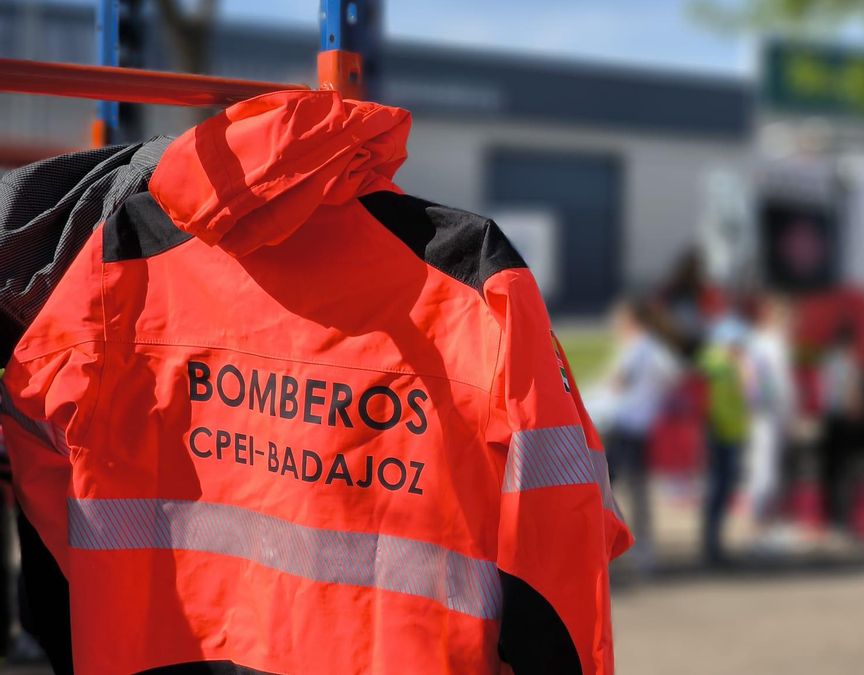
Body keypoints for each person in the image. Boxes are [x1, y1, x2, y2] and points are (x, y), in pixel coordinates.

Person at [0, 90, 631, 674]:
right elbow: (562, 521)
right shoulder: (469, 278)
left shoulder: (123, 260)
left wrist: (69, 630)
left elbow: (36, 445)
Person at [603, 298, 680, 572]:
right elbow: (673, 374)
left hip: (623, 425)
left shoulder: (636, 348)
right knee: (636, 489)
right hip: (639, 426)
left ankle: (612, 545)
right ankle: (642, 549)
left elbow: (616, 383)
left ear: (630, 321)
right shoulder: (652, 348)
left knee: (606, 487)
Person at [743, 296, 797, 549]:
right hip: (769, 414)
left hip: (763, 414)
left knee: (764, 470)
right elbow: (780, 385)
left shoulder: (759, 343)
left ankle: (762, 527)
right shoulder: (771, 344)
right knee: (766, 472)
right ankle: (759, 529)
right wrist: (788, 414)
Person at [698, 316, 751, 566]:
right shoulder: (719, 363)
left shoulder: (728, 364)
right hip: (720, 434)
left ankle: (715, 543)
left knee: (722, 490)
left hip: (731, 433)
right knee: (718, 490)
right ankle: (712, 546)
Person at [817, 321, 864, 538]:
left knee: (829, 471)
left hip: (829, 420)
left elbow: (822, 392)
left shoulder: (827, 362)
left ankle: (829, 518)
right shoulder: (851, 363)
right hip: (845, 421)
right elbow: (853, 395)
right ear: (849, 343)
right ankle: (844, 520)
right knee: (846, 471)